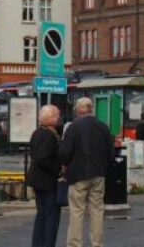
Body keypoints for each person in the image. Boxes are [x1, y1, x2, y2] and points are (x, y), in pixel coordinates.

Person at [59, 97, 115, 247]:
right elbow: (111, 153)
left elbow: (65, 153)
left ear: (78, 110)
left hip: (78, 175)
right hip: (98, 174)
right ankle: (97, 243)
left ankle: (75, 244)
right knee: (97, 210)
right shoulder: (103, 126)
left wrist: (65, 164)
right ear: (91, 109)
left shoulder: (73, 127)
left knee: (77, 211)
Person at [29, 105, 62, 247]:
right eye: (57, 116)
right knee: (51, 216)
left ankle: (37, 243)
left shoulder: (37, 132)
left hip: (37, 180)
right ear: (51, 118)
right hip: (47, 181)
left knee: (41, 214)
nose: (58, 118)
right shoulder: (49, 135)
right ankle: (47, 243)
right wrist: (58, 170)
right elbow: (43, 158)